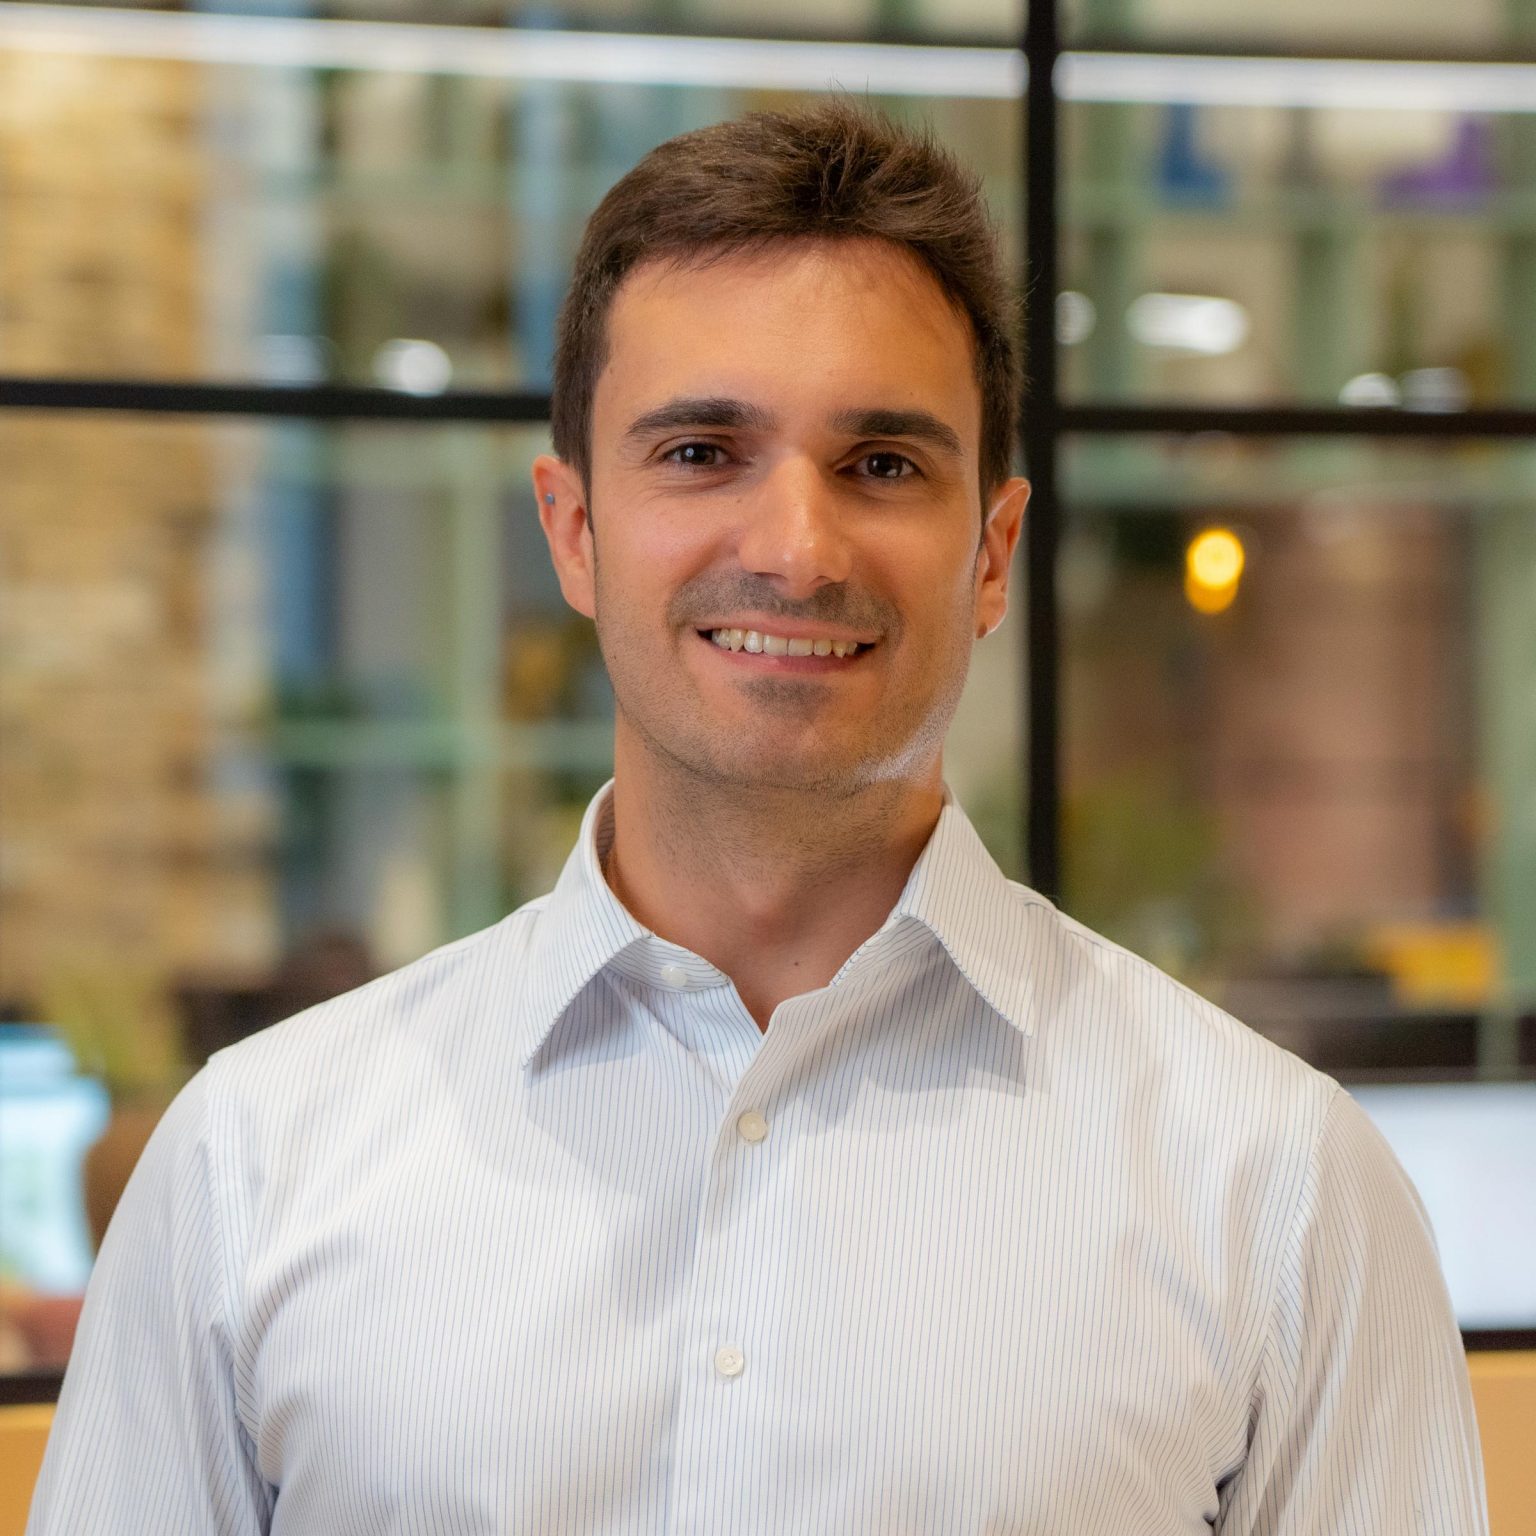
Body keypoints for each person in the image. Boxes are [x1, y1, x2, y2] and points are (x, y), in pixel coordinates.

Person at [29, 102, 1487, 1535]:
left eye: (883, 465)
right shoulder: (250, 1168)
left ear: (992, 552)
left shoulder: (1282, 1191)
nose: (795, 548)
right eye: (699, 452)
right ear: (573, 530)